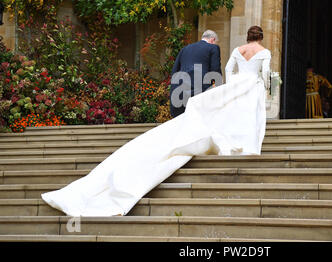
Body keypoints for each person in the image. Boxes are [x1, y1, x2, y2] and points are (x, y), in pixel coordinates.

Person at [41, 26, 271, 216]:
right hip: (214, 85)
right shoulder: (224, 49)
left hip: (181, 84)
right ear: (212, 40)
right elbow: (219, 72)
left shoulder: (189, 48)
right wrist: (223, 92)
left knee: (186, 119)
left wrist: (225, 87)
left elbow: (182, 69)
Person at [170, 30, 222, 117]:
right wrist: (217, 89)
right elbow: (215, 71)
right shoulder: (213, 48)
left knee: (184, 121)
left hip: (180, 89)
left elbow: (174, 71)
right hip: (200, 89)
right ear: (212, 40)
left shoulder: (185, 49)